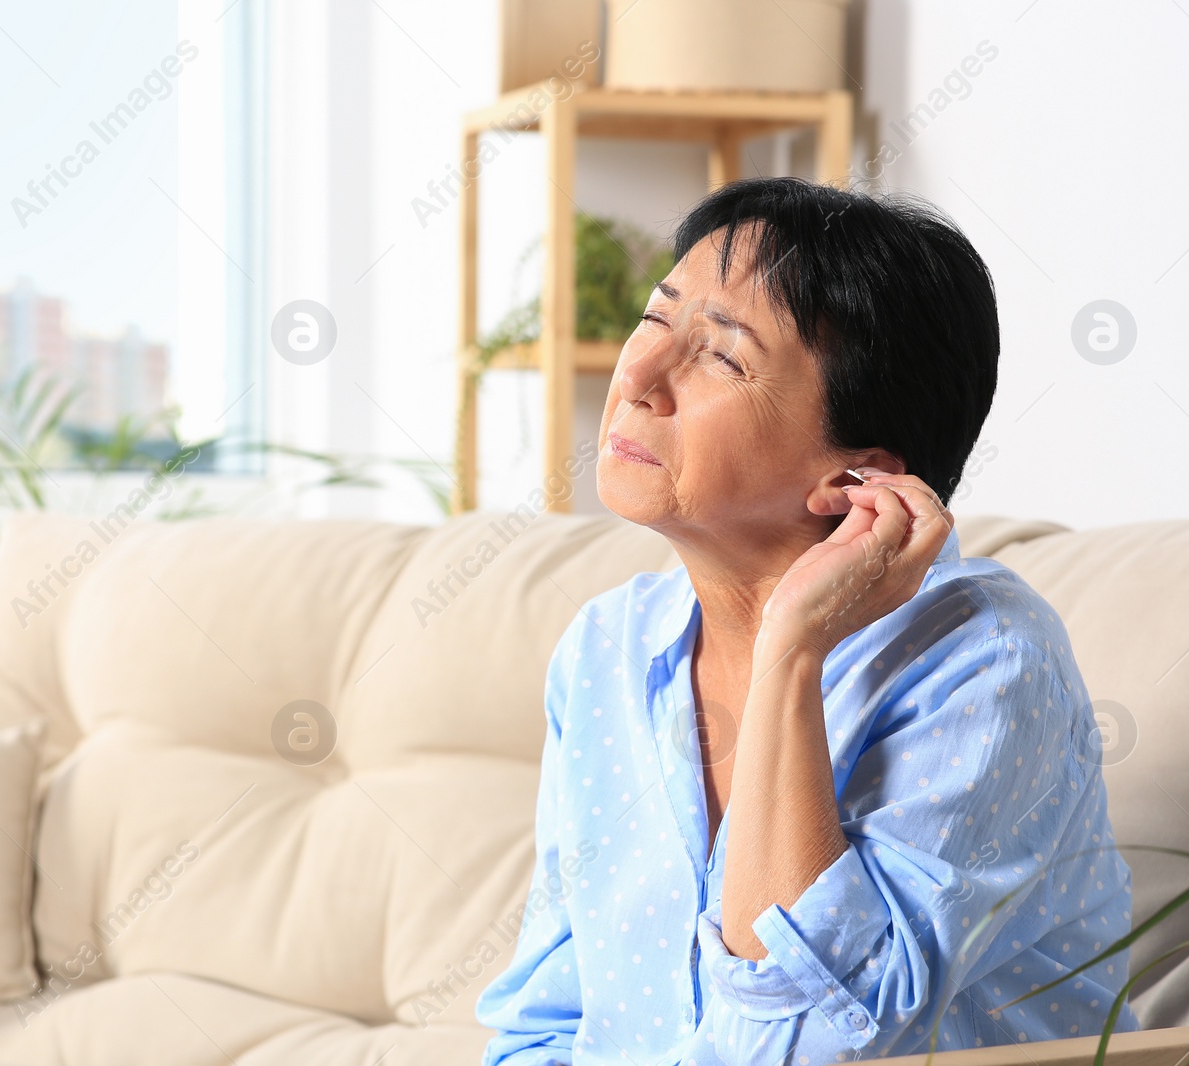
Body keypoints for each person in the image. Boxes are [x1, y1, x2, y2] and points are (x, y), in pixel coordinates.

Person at [475, 177, 1137, 1064]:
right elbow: (547, 1023)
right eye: (657, 317)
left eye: (722, 357)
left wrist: (790, 651)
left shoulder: (986, 661)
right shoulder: (606, 648)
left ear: (857, 479)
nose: (635, 376)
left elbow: (804, 1045)